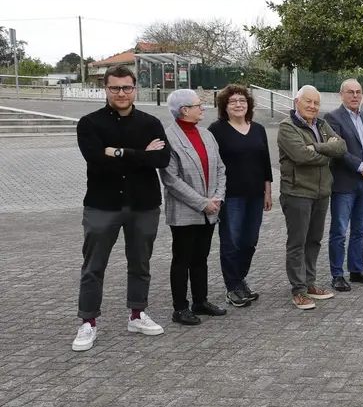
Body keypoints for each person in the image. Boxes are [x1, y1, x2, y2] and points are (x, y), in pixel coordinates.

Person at [72, 65, 170, 351]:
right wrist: (142, 155)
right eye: (115, 88)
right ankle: (88, 322)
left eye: (127, 87)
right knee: (93, 267)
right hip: (102, 205)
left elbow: (163, 158)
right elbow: (96, 160)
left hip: (144, 204)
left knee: (140, 263)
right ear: (105, 89)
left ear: (135, 88)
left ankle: (137, 314)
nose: (121, 93)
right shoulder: (89, 123)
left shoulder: (151, 122)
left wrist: (117, 152)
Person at [159, 89, 229, 325]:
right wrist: (203, 203)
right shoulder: (169, 138)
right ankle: (180, 308)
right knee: (182, 259)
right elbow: (170, 179)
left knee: (201, 256)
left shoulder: (206, 135)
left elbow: (220, 167)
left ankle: (201, 300)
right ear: (184, 110)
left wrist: (217, 198)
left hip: (211, 208)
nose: (203, 108)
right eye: (199, 105)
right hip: (185, 210)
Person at [278, 85, 347, 310]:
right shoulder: (287, 127)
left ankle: (310, 283)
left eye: (316, 103)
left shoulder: (321, 124)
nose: (313, 106)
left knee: (314, 241)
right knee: (297, 243)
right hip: (297, 192)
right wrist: (328, 152)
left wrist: (316, 147)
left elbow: (342, 148)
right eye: (308, 101)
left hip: (321, 192)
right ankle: (298, 290)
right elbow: (300, 155)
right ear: (297, 101)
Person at [208, 85, 272, 308]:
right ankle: (232, 287)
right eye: (233, 101)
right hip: (230, 196)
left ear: (249, 105)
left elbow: (265, 164)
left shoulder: (258, 129)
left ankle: (240, 279)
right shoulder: (216, 130)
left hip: (255, 194)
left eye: (242, 100)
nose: (238, 104)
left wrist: (268, 191)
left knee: (250, 241)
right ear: (224, 106)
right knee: (231, 241)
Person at [325, 79, 363, 291]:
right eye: (350, 92)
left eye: (358, 92)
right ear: (341, 94)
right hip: (345, 183)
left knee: (360, 230)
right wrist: (361, 167)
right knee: (339, 231)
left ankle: (356, 270)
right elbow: (338, 151)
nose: (355, 96)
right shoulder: (333, 118)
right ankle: (337, 274)